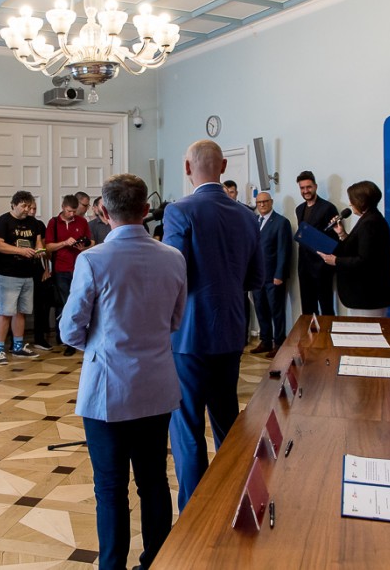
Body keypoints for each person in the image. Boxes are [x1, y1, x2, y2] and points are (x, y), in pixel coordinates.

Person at [60, 173, 187, 570]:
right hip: (156, 386)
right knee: (154, 482)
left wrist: (102, 343)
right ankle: (156, 562)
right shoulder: (173, 257)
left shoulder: (92, 259)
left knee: (111, 489)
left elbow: (69, 330)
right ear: (146, 210)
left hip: (108, 390)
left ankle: (112, 566)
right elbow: (175, 320)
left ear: (103, 210)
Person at [163, 139, 264, 512]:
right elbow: (256, 278)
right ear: (223, 167)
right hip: (231, 330)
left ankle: (195, 512)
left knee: (187, 426)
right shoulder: (248, 216)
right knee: (227, 422)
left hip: (189, 333)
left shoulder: (179, 210)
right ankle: (233, 500)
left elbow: (174, 274)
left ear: (187, 168)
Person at [318, 180, 390, 317]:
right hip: (365, 296)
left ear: (361, 201)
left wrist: (336, 261)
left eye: (352, 200)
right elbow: (358, 248)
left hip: (368, 295)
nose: (350, 204)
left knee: (366, 330)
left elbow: (365, 260)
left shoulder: (370, 223)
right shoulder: (370, 219)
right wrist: (342, 234)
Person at [0, 190, 43, 365]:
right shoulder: (4, 220)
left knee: (21, 312)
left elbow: (38, 242)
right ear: (13, 205)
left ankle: (18, 346)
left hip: (28, 273)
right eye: (23, 206)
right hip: (8, 273)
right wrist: (20, 251)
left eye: (29, 206)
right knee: (6, 312)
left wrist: (39, 250)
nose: (27, 209)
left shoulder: (33, 222)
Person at [45, 194, 93, 356]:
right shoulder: (53, 223)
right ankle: (66, 338)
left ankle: (77, 336)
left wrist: (83, 246)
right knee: (66, 302)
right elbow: (48, 247)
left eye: (74, 211)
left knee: (80, 301)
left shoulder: (82, 222)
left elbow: (90, 242)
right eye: (69, 211)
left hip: (79, 267)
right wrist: (65, 243)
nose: (72, 214)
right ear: (63, 207)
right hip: (61, 268)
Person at [250, 191, 293, 357]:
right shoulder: (254, 221)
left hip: (273, 277)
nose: (262, 205)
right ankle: (265, 341)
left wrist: (279, 275)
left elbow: (284, 251)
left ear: (271, 202)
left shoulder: (281, 222)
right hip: (257, 277)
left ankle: (279, 343)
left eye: (265, 201)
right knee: (261, 310)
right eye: (259, 202)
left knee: (277, 311)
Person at [295, 171, 339, 316]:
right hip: (304, 267)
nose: (305, 191)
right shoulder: (299, 209)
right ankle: (311, 332)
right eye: (302, 188)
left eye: (308, 187)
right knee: (307, 309)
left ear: (315, 186)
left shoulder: (328, 208)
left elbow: (334, 240)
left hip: (322, 267)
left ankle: (327, 332)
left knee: (326, 308)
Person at [28, 201, 55, 351]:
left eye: (34, 208)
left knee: (42, 304)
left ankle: (40, 337)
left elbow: (44, 249)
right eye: (30, 208)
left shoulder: (39, 225)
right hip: (20, 269)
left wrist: (46, 269)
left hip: (38, 269)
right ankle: (15, 341)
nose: (32, 211)